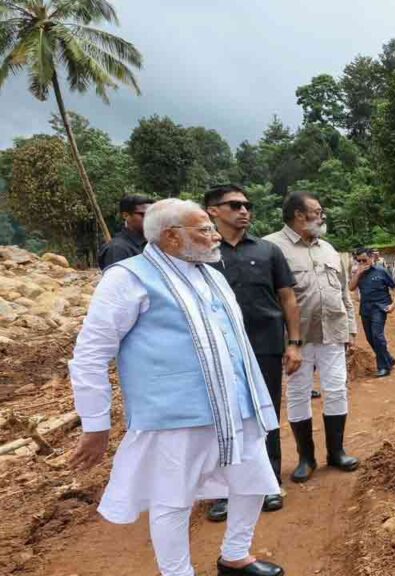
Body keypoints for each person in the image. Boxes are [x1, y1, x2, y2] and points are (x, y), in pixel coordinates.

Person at [68, 198, 283, 576]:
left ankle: (235, 555)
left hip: (236, 401)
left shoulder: (211, 273)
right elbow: (91, 353)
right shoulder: (128, 277)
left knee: (252, 480)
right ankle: (177, 572)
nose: (215, 235)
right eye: (204, 229)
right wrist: (95, 423)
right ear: (170, 237)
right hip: (176, 412)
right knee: (173, 498)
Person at [203, 184, 303, 521]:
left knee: (265, 416)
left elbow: (287, 297)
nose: (244, 211)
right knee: (222, 418)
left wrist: (294, 343)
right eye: (234, 205)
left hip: (265, 346)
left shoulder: (268, 251)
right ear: (212, 211)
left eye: (247, 205)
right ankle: (225, 491)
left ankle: (269, 483)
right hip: (217, 351)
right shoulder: (200, 254)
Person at [264, 191, 359, 483]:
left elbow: (343, 292)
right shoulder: (271, 248)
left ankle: (336, 451)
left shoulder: (328, 249)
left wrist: (351, 328)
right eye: (317, 211)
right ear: (298, 215)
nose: (322, 215)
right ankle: (306, 458)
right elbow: (270, 297)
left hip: (332, 332)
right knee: (298, 393)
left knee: (337, 389)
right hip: (296, 339)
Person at [349, 247, 395, 377]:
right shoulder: (358, 273)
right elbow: (351, 287)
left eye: (364, 260)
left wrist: (394, 303)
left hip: (380, 307)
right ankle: (388, 359)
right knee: (370, 338)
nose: (361, 263)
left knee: (377, 335)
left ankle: (384, 367)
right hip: (365, 308)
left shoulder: (381, 271)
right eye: (359, 261)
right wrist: (358, 273)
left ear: (372, 258)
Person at [98, 194, 155, 269]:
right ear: (126, 215)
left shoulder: (152, 244)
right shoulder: (117, 249)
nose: (149, 218)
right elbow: (117, 279)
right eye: (143, 214)